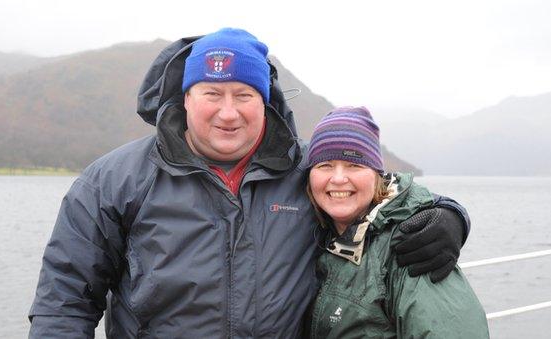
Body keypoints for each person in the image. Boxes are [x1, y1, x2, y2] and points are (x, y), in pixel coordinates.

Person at [28, 28, 471, 338]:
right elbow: (64, 296)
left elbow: (380, 192)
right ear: (186, 98)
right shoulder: (115, 179)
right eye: (212, 94)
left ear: (265, 102)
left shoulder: (308, 171)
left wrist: (449, 215)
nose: (228, 111)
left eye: (244, 95)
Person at [305, 106, 489, 338]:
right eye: (325, 165)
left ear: (377, 176)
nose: (339, 178)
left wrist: (454, 215)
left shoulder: (414, 244)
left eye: (355, 165)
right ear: (309, 175)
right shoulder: (318, 236)